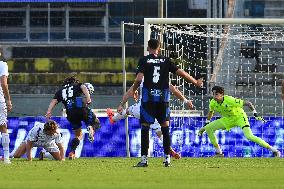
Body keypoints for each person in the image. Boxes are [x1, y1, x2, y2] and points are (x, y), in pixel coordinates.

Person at [118, 39, 203, 167]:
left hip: (148, 100)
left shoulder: (144, 60)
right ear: (160, 47)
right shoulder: (166, 60)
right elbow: (181, 73)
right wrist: (195, 82)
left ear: (148, 47)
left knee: (145, 128)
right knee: (165, 128)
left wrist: (132, 91)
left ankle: (144, 160)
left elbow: (139, 78)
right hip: (163, 99)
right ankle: (167, 159)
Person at [107, 83, 194, 159]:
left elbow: (130, 92)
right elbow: (174, 90)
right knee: (159, 131)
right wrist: (186, 101)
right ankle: (170, 150)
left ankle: (113, 118)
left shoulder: (143, 77)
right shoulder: (162, 77)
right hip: (156, 110)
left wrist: (121, 104)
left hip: (142, 108)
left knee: (128, 110)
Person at [198, 86, 281, 157]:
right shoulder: (213, 102)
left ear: (222, 95)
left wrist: (255, 114)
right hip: (228, 119)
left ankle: (274, 150)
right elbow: (211, 112)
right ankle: (219, 153)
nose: (214, 96)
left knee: (249, 136)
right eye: (213, 94)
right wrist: (207, 122)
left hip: (240, 117)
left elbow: (248, 103)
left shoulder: (230, 100)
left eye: (216, 94)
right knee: (209, 128)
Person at [45, 76, 100, 160]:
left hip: (70, 112)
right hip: (80, 106)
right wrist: (88, 97)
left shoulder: (60, 90)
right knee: (96, 123)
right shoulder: (76, 85)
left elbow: (54, 101)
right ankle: (91, 128)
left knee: (78, 134)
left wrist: (49, 111)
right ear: (74, 81)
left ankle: (72, 152)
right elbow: (83, 87)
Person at [0, 49, 12, 164]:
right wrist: (8, 100)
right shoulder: (2, 64)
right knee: (3, 127)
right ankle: (6, 157)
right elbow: (3, 83)